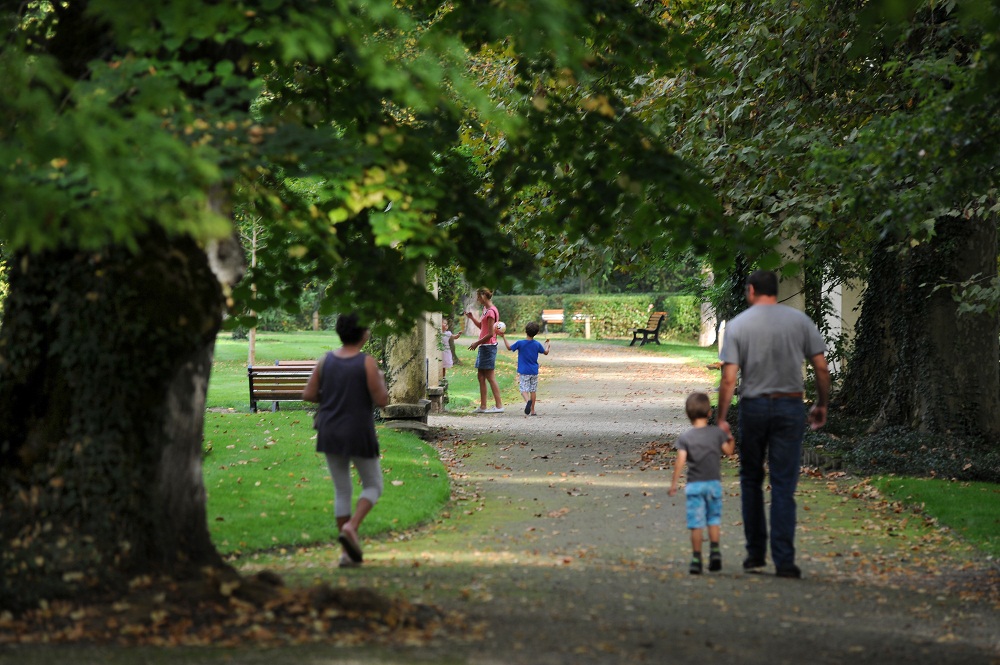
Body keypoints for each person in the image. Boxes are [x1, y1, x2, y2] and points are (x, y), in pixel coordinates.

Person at [716, 270, 830, 579]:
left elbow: (729, 378)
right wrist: (822, 403)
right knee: (783, 483)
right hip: (791, 406)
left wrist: (722, 419)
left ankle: (755, 556)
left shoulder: (739, 325)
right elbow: (821, 367)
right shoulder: (800, 322)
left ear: (751, 290)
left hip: (754, 407)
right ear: (775, 291)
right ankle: (785, 560)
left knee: (751, 479)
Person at [302, 313, 389, 568]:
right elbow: (382, 400)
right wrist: (380, 381)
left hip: (330, 430)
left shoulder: (325, 361)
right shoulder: (367, 363)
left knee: (342, 489)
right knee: (373, 485)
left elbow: (308, 393)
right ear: (363, 334)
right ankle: (351, 527)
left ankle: (346, 554)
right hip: (358, 430)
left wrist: (331, 395)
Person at [668, 392, 736, 574]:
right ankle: (714, 551)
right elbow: (729, 451)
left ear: (688, 415)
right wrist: (730, 436)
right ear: (709, 413)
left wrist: (674, 483)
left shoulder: (686, 437)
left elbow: (680, 461)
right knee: (713, 519)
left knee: (696, 523)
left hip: (694, 486)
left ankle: (696, 559)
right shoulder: (717, 434)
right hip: (713, 484)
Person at [499, 321, 551, 415]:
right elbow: (546, 352)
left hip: (524, 371)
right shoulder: (537, 344)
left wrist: (503, 337)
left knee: (523, 390)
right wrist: (547, 346)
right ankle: (533, 410)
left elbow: (509, 348)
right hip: (534, 371)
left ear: (525, 331)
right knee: (533, 390)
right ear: (536, 333)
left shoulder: (520, 343)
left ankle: (528, 402)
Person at [466, 287, 504, 413]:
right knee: (481, 376)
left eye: (478, 296)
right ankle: (483, 406)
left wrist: (477, 343)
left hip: (488, 346)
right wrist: (472, 318)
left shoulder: (491, 311)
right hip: (484, 346)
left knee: (489, 376)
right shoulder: (485, 310)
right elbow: (483, 327)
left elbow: (490, 334)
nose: (477, 299)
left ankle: (499, 406)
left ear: (483, 296)